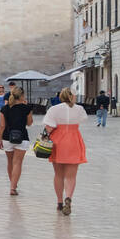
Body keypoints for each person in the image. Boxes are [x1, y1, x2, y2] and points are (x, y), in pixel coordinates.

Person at [43, 87, 87, 215]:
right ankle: (68, 197)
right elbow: (83, 120)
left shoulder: (54, 109)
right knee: (71, 176)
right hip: (74, 140)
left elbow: (49, 127)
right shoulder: (79, 109)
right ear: (72, 96)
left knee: (58, 174)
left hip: (58, 141)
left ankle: (59, 202)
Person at [0, 86, 32, 195]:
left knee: (10, 162)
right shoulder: (27, 108)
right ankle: (13, 187)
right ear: (22, 96)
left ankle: (13, 183)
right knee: (17, 163)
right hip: (22, 137)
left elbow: (2, 126)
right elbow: (29, 123)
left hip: (7, 137)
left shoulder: (5, 108)